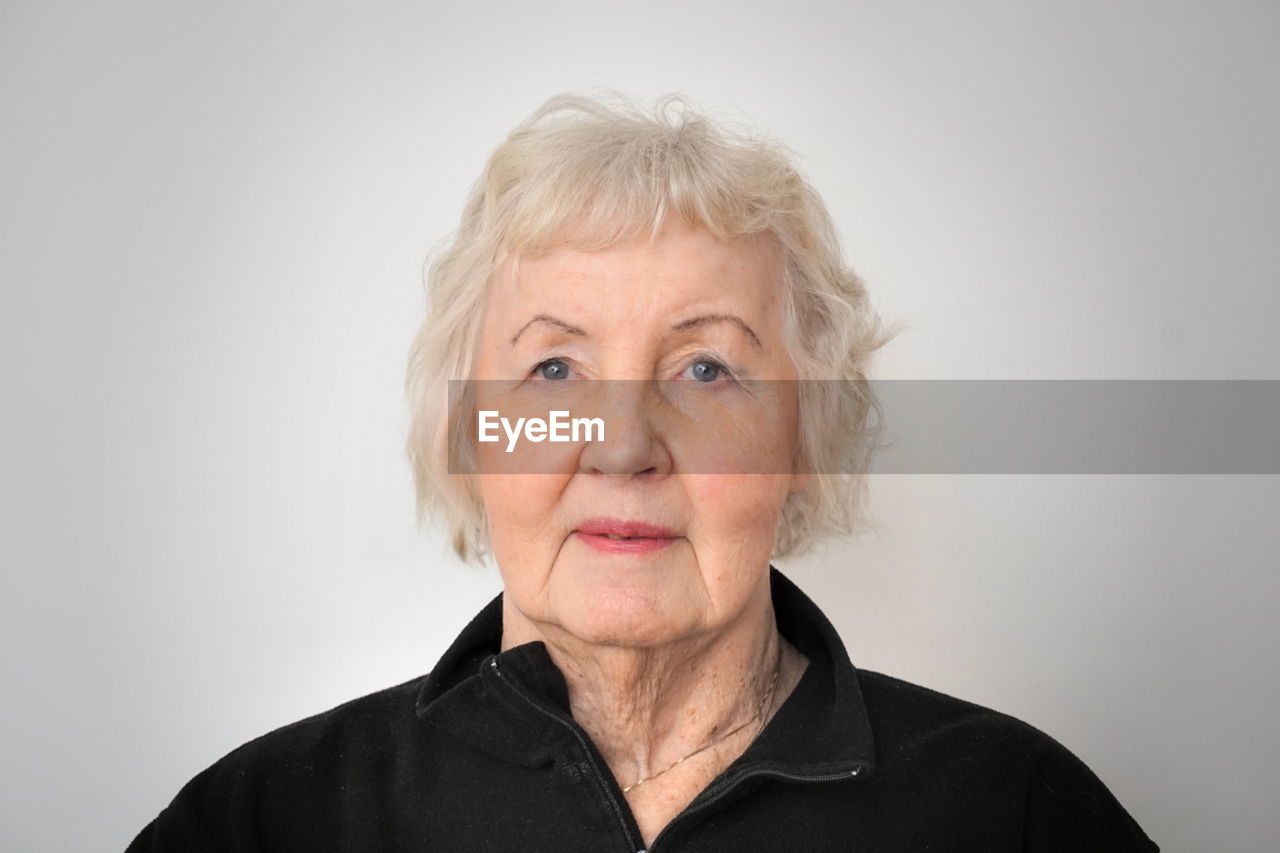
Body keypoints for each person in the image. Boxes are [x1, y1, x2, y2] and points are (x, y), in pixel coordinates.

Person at [126, 91, 1159, 852]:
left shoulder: (1013, 816)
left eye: (706, 368)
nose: (622, 445)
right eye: (554, 367)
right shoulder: (265, 825)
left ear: (802, 439)